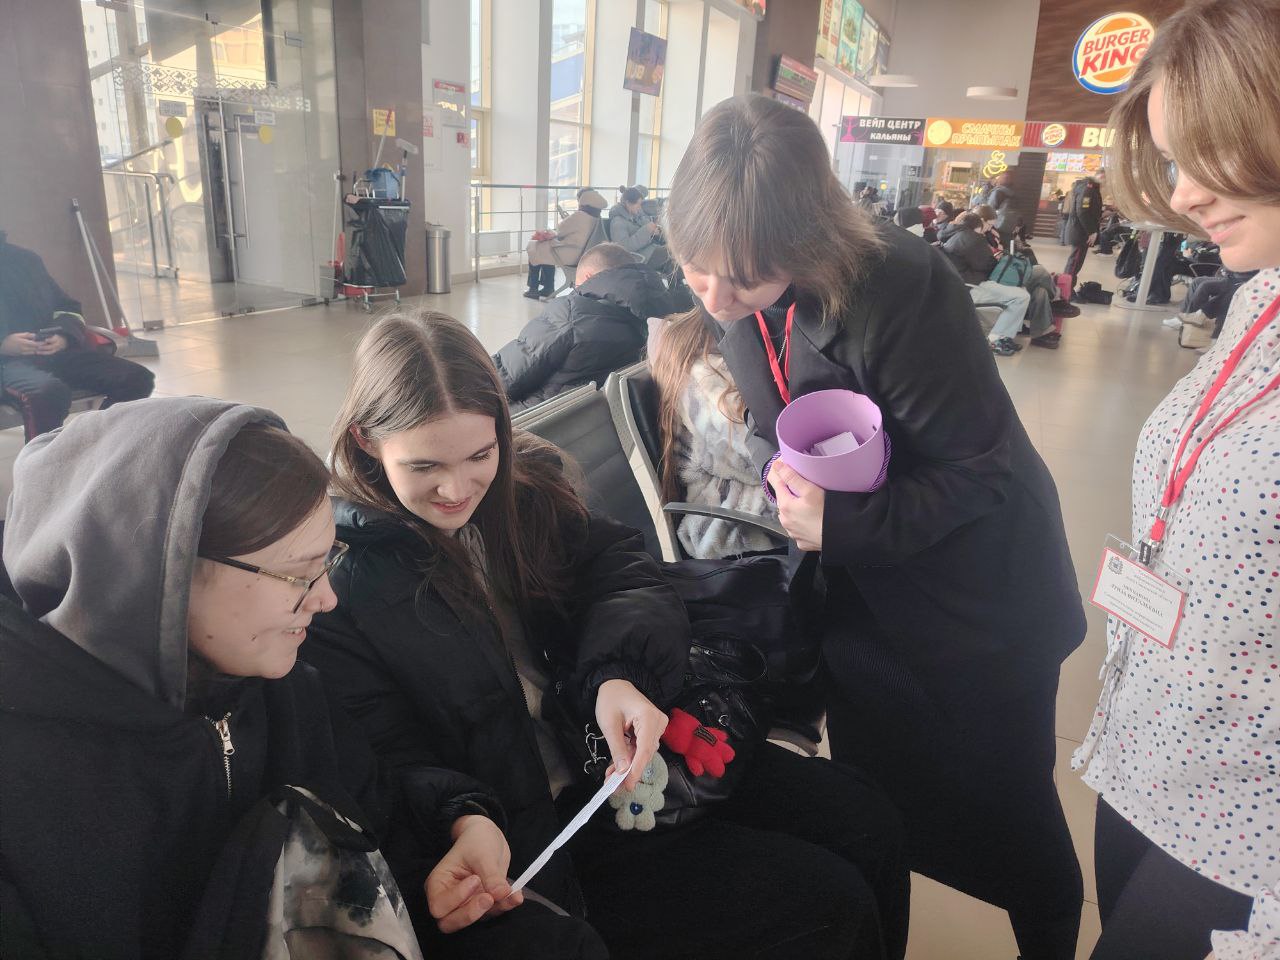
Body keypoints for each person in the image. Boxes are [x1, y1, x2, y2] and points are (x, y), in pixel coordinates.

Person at [304, 311, 911, 960]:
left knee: (866, 819)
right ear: (367, 441)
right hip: (532, 827)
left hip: (615, 757)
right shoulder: (339, 585)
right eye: (425, 465)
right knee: (827, 905)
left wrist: (619, 673)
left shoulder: (524, 493)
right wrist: (464, 816)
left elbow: (622, 573)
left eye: (480, 455)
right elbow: (385, 757)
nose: (456, 489)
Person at [666, 95, 1086, 960]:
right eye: (694, 270)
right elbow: (775, 413)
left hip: (973, 602)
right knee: (873, 797)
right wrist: (780, 469)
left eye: (739, 277)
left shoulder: (901, 285)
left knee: (1009, 808)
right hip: (866, 600)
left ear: (803, 240)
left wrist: (841, 523)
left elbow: (980, 472)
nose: (715, 297)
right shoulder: (736, 287)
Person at [0, 398, 505, 957]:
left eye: (326, 563)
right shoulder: (24, 788)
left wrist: (458, 822)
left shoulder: (284, 691)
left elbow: (371, 808)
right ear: (161, 574)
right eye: (297, 575)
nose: (327, 599)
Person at [1071, 3, 1280, 957]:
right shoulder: (1259, 292)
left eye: (1208, 153)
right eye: (1172, 161)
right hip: (1157, 737)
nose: (1186, 194)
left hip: (1252, 808)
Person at [648, 310, 783, 559]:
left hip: (752, 490)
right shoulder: (702, 374)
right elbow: (752, 460)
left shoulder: (721, 347)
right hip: (729, 514)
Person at [0, 231, 154, 440]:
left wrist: (63, 336)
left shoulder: (26, 260)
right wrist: (4, 344)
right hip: (6, 365)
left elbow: (67, 308)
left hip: (54, 353)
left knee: (136, 378)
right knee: (47, 393)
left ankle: (93, 444)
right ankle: (43, 459)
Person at [495, 242, 677, 413]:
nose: (575, 292)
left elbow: (503, 378)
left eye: (576, 286)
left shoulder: (571, 313)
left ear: (589, 277)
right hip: (600, 420)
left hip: (539, 419)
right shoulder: (669, 315)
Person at [942, 211, 1044, 356]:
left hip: (961, 285)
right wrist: (997, 259)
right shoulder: (973, 239)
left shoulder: (954, 235)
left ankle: (1003, 336)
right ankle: (996, 339)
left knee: (1020, 293)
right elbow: (987, 265)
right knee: (1021, 296)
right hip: (970, 287)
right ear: (978, 226)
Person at [525, 189, 608, 300]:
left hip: (570, 254)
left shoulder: (580, 216)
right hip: (580, 253)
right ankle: (548, 287)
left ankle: (533, 288)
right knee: (545, 252)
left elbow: (561, 230)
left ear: (584, 200)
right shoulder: (596, 217)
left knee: (534, 247)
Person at [607, 187, 670, 269]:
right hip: (641, 257)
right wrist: (646, 230)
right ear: (628, 203)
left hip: (649, 250)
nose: (640, 207)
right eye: (638, 204)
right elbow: (623, 248)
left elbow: (644, 229)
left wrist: (653, 231)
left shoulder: (635, 216)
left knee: (674, 255)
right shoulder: (617, 222)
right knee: (673, 253)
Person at [1062, 169, 1105, 288]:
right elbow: (1082, 211)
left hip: (1080, 231)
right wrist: (1092, 231)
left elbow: (1088, 210)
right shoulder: (1088, 188)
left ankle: (1067, 289)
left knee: (1075, 263)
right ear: (1101, 175)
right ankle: (1066, 290)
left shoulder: (1090, 187)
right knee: (1074, 264)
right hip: (1080, 232)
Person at [987, 172, 1018, 252]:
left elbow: (989, 209)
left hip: (997, 224)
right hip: (1009, 225)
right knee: (1007, 246)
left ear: (1000, 180)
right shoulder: (1014, 193)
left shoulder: (997, 192)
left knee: (997, 245)